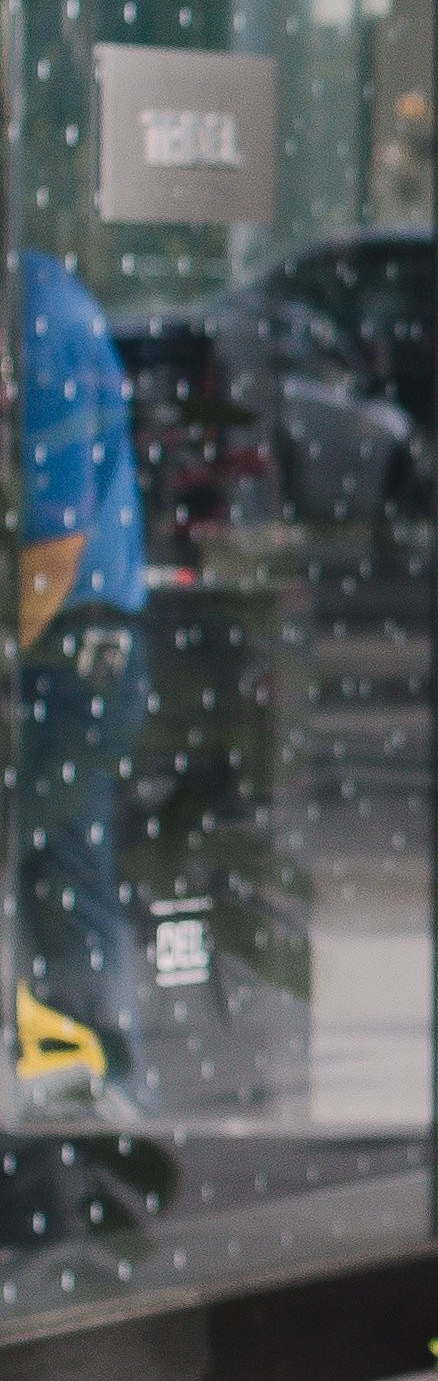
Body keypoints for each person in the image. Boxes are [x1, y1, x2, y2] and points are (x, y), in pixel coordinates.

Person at [16, 245, 150, 1091]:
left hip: (76, 648)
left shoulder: (43, 322)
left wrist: (10, 648)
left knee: (62, 865)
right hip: (74, 643)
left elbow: (56, 539)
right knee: (57, 864)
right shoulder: (44, 305)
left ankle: (96, 1072)